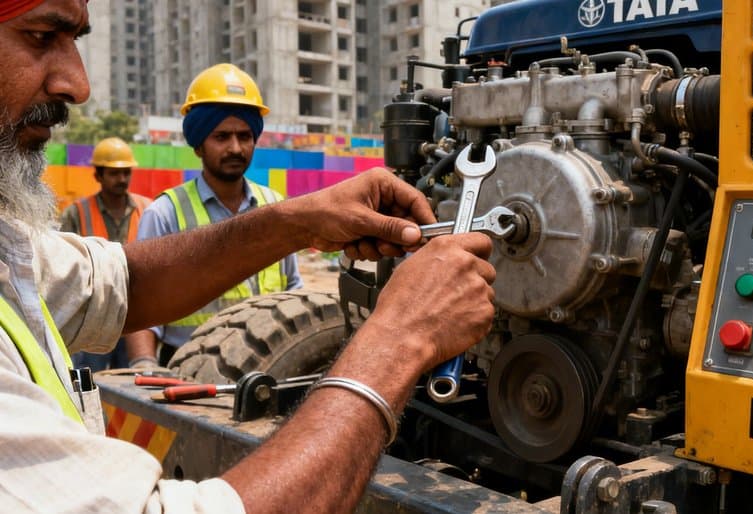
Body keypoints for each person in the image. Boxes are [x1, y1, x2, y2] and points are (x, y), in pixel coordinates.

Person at [0, 1, 495, 513]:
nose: (78, 84)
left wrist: (300, 220)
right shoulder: (168, 208)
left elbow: (116, 283)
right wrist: (401, 337)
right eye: (40, 36)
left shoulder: (7, 247)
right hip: (187, 376)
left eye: (75, 41)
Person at [126, 63, 302, 367]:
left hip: (267, 366)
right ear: (198, 146)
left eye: (244, 136)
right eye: (221, 137)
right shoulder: (165, 213)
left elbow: (292, 290)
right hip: (187, 371)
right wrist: (143, 363)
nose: (235, 147)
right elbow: (139, 305)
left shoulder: (275, 206)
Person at [58, 136, 151, 371]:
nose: (122, 179)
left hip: (136, 316)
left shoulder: (148, 209)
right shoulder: (76, 213)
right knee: (88, 384)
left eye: (126, 173)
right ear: (98, 175)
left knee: (133, 389)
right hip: (93, 318)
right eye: (113, 173)